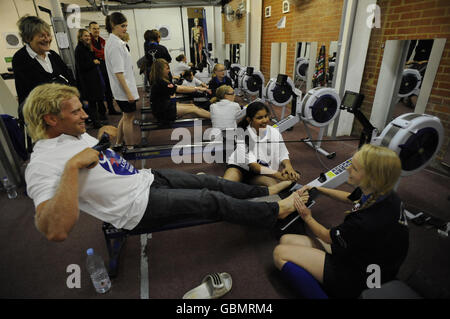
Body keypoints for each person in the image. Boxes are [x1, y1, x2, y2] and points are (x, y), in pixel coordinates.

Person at [22, 83, 301, 242]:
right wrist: (72, 168)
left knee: (208, 180)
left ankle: (264, 192)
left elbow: (101, 159)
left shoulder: (74, 135)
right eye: (76, 111)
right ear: (51, 119)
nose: (85, 115)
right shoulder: (42, 162)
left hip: (146, 179)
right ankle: (273, 212)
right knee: (210, 199)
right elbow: (54, 230)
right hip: (135, 206)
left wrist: (105, 138)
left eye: (82, 108)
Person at [272, 144, 409, 298]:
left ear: (372, 177)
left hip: (360, 277)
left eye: (355, 168)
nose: (348, 169)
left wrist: (307, 216)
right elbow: (351, 198)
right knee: (286, 239)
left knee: (280, 254)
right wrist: (318, 189)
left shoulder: (365, 222)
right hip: (365, 258)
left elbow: (326, 235)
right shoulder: (382, 192)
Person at [12, 15, 75, 122]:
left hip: (61, 111)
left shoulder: (53, 55)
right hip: (40, 116)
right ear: (28, 38)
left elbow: (70, 80)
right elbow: (35, 91)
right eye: (42, 36)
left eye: (48, 35)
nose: (47, 39)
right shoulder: (20, 58)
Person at [224, 102, 300, 186]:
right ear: (249, 119)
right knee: (226, 186)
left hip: (259, 172)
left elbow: (283, 154)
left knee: (273, 187)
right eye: (259, 118)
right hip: (239, 167)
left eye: (266, 116)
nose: (265, 120)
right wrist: (280, 176)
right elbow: (254, 166)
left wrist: (288, 166)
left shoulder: (274, 132)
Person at [104, 12, 140, 146]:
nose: (125, 28)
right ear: (113, 25)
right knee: (129, 118)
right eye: (122, 26)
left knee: (125, 116)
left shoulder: (116, 42)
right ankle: (130, 147)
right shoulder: (115, 45)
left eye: (126, 26)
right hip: (123, 89)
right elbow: (118, 73)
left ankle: (118, 143)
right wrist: (129, 92)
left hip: (122, 88)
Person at [88, 21, 121, 116]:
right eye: (94, 28)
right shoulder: (89, 42)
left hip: (104, 67)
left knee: (108, 89)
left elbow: (105, 53)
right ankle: (101, 112)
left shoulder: (102, 41)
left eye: (98, 28)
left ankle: (111, 108)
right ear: (90, 29)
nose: (96, 30)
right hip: (95, 70)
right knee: (99, 91)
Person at [74, 29, 104, 129]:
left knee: (95, 101)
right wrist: (93, 62)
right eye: (85, 36)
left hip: (93, 79)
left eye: (88, 36)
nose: (88, 37)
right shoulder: (79, 49)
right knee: (91, 102)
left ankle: (97, 120)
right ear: (80, 37)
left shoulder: (87, 48)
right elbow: (81, 66)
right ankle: (95, 122)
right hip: (87, 81)